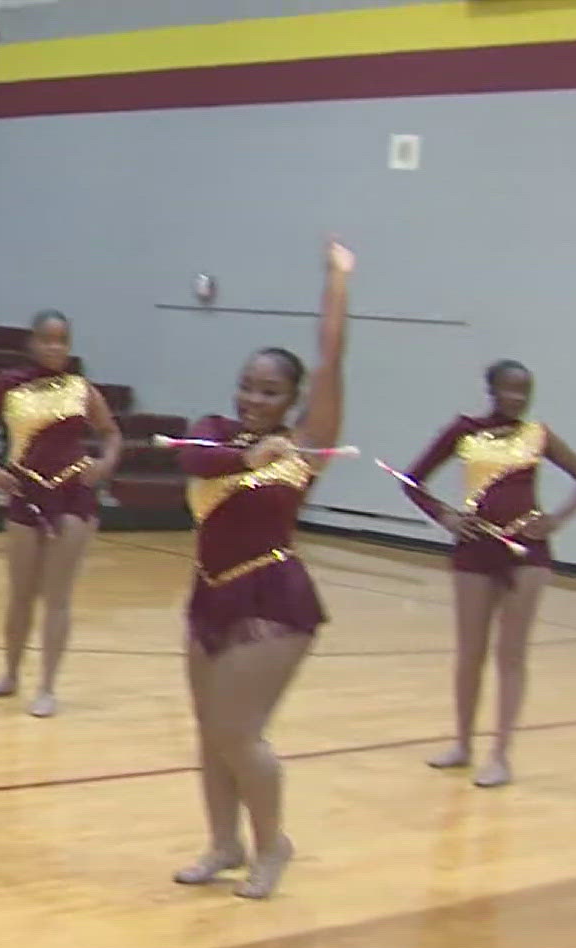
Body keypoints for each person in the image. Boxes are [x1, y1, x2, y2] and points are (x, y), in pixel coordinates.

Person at [172, 239, 354, 900]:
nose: (254, 398)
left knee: (237, 731)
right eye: (248, 385)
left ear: (292, 400)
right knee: (208, 732)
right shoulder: (214, 432)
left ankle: (272, 843)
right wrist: (247, 458)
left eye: (270, 391)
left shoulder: (303, 448)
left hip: (272, 596)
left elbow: (333, 362)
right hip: (209, 593)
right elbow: (193, 461)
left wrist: (336, 283)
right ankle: (223, 844)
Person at [398, 361, 576, 787]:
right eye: (510, 389)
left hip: (528, 553)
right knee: (469, 652)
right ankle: (462, 744)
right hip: (475, 549)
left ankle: (501, 754)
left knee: (511, 655)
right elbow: (411, 480)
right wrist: (447, 517)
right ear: (491, 390)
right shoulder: (464, 430)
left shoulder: (537, 434)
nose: (518, 398)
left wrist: (555, 520)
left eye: (525, 390)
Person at [0, 311, 123, 718]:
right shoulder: (7, 386)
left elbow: (112, 434)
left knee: (57, 597)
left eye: (62, 340)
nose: (55, 347)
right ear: (31, 342)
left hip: (73, 495)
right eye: (47, 340)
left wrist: (104, 466)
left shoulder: (82, 389)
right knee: (20, 594)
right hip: (25, 493)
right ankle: (11, 674)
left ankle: (47, 686)